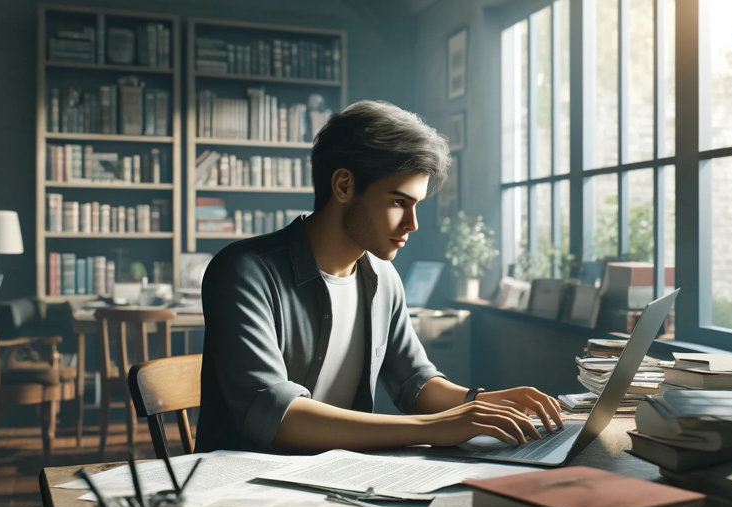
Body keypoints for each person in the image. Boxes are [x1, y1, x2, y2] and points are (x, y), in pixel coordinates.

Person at [195, 100, 562, 453]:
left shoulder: (382, 277)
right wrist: (437, 428)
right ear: (343, 186)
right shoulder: (244, 272)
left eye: (415, 205)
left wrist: (481, 403)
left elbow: (415, 383)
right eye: (398, 202)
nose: (412, 224)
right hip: (247, 492)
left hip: (338, 482)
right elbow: (279, 417)